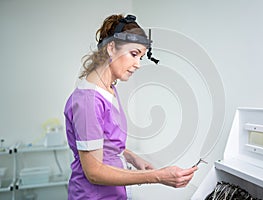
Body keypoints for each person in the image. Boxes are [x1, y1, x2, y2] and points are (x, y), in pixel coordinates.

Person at [64, 14, 198, 200]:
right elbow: (93, 172)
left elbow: (104, 142)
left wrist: (131, 157)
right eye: (134, 54)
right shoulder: (88, 101)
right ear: (111, 47)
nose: (138, 64)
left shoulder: (109, 88)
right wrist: (158, 176)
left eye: (141, 57)